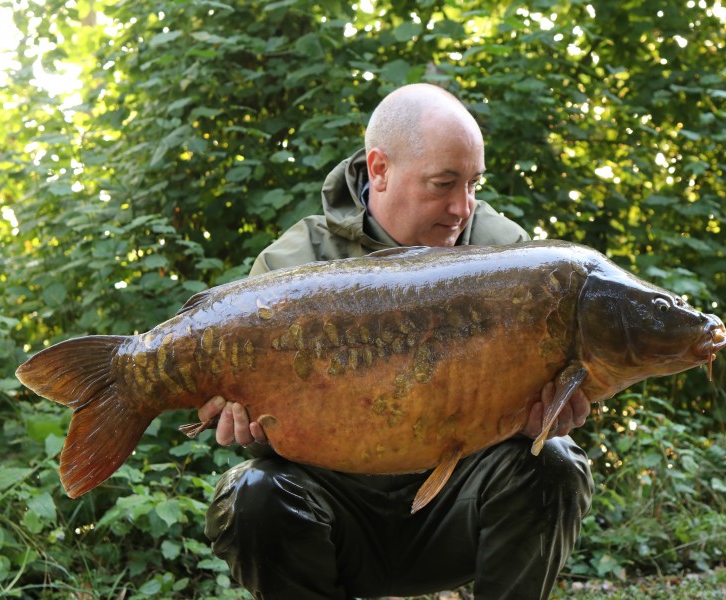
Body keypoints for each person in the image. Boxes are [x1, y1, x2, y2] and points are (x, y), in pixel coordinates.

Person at [199, 83, 594, 600]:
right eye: (443, 184)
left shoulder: (509, 258)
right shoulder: (294, 265)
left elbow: (559, 386)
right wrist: (245, 425)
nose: (462, 207)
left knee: (557, 464)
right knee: (254, 497)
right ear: (379, 168)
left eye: (474, 183)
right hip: (339, 512)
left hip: (458, 506)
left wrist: (547, 418)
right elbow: (260, 436)